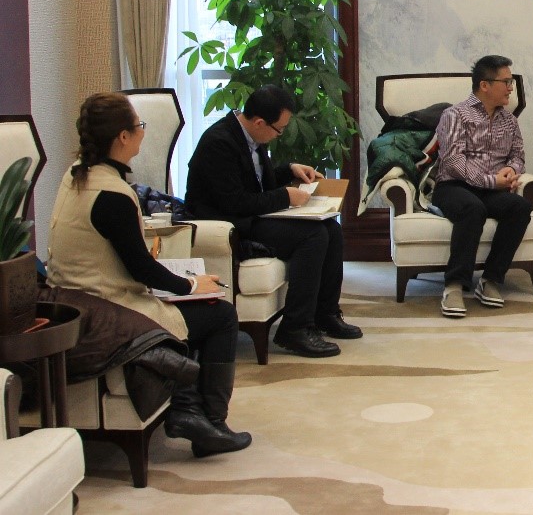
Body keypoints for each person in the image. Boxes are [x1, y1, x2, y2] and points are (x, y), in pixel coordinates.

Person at [46, 92, 251, 457]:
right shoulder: (112, 195)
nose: (142, 132)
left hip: (75, 298)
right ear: (123, 136)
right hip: (107, 309)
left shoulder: (75, 175)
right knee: (220, 314)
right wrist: (191, 284)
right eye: (139, 126)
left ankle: (188, 409)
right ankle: (210, 423)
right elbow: (140, 268)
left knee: (194, 307)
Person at [185, 85, 361, 358]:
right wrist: (285, 196)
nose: (280, 134)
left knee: (331, 229)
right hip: (230, 224)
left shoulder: (251, 137)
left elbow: (255, 182)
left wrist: (289, 170)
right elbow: (235, 202)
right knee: (313, 236)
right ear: (259, 122)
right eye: (279, 129)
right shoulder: (218, 143)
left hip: (250, 215)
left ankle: (325, 314)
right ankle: (295, 328)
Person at [430, 55, 532, 318]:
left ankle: (490, 280)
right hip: (453, 186)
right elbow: (453, 161)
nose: (511, 87)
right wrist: (491, 181)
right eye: (506, 82)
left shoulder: (509, 121)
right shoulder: (454, 115)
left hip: (491, 189)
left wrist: (512, 170)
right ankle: (454, 286)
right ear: (484, 85)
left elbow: (518, 155)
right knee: (472, 208)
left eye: (511, 82)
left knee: (520, 207)